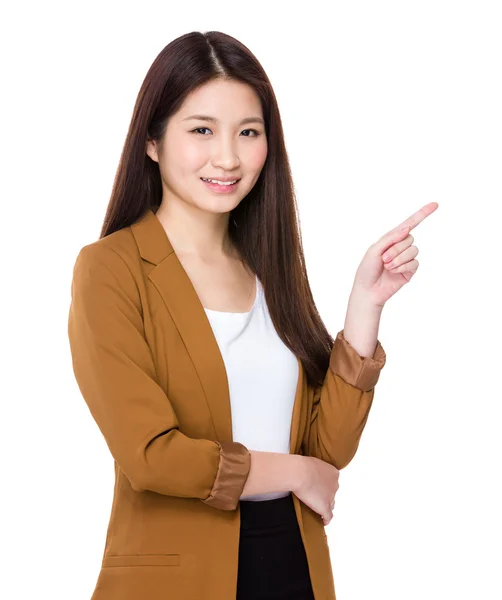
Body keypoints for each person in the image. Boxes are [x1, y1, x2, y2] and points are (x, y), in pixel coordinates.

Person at [68, 29, 436, 600]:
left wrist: (366, 304)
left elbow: (327, 452)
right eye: (201, 131)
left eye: (248, 132)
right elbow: (151, 456)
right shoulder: (110, 270)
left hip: (293, 567)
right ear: (152, 141)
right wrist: (294, 473)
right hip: (175, 581)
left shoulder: (269, 268)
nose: (228, 157)